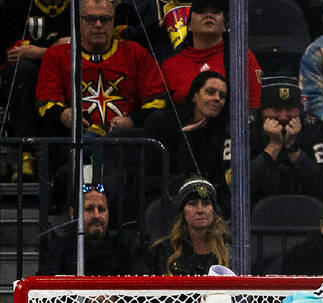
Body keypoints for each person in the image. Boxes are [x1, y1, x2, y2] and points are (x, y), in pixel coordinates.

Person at [34, 0, 167, 136]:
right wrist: (64, 114)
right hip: (75, 139)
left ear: (113, 20)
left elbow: (157, 100)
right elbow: (45, 101)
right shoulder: (57, 54)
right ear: (79, 21)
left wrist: (132, 121)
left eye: (105, 19)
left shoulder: (135, 53)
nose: (98, 25)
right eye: (91, 19)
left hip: (125, 141)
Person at [0, 0, 72, 176]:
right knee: (24, 70)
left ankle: (61, 157)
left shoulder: (78, 7)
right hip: (24, 76)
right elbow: (14, 52)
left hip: (62, 73)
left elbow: (83, 47)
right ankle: (25, 153)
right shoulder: (17, 6)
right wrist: (53, 51)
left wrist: (40, 52)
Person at [142, 72, 230, 199]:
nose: (217, 99)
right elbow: (147, 179)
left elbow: (200, 179)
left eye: (222, 96)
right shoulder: (160, 122)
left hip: (202, 200)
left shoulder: (220, 133)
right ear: (194, 95)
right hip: (160, 199)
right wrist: (184, 136)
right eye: (210, 92)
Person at [160, 0, 263, 109]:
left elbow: (253, 108)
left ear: (224, 25)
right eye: (200, 12)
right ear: (189, 25)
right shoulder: (169, 65)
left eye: (215, 12)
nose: (208, 15)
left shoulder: (241, 57)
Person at [249, 75, 323, 202]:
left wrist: (293, 149)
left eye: (290, 109)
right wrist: (273, 147)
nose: (283, 117)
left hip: (306, 208)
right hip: (255, 211)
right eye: (276, 109)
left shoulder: (314, 127)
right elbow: (234, 187)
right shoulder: (245, 129)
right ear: (262, 111)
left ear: (299, 110)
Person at [36, 183, 138, 276]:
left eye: (102, 209)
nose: (96, 216)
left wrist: (113, 296)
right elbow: (42, 292)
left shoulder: (125, 247)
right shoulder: (57, 250)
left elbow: (143, 289)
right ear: (73, 213)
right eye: (89, 209)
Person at [142, 176, 232, 276]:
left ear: (213, 210)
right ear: (182, 211)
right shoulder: (164, 250)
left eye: (206, 204)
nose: (200, 210)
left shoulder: (230, 246)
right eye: (192, 204)